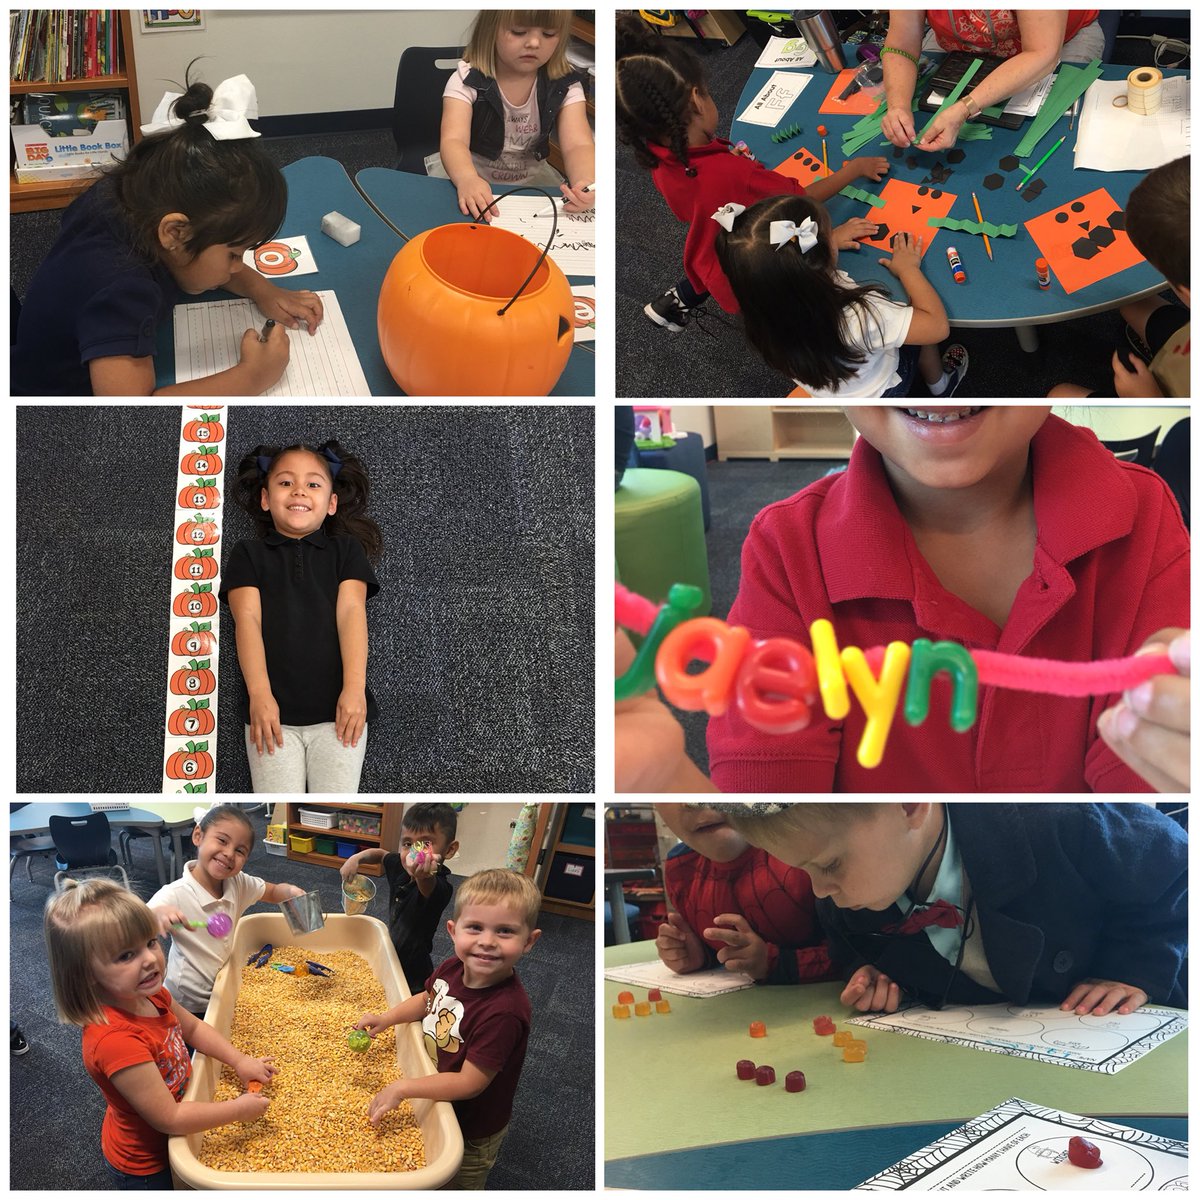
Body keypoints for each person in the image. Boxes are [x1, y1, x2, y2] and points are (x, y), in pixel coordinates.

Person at [616, 407, 1191, 793]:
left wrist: (1171, 734)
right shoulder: (786, 546)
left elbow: (1143, 786)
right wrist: (664, 777)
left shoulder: (1144, 514)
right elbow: (768, 805)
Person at [12, 69, 323, 396]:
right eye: (233, 254)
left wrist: (263, 289)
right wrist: (252, 377)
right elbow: (131, 412)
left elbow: (201, 253)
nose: (237, 267)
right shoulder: (122, 289)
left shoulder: (127, 193)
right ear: (175, 232)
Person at [712, 803, 1187, 1014]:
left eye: (830, 863)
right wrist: (873, 972)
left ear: (907, 804)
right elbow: (848, 944)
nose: (819, 891)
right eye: (803, 871)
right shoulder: (847, 901)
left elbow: (1178, 865)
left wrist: (1135, 967)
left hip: (1141, 1031)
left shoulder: (1061, 821)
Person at [616, 12, 889, 332]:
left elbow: (696, 206)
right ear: (697, 99)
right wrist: (850, 179)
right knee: (793, 303)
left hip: (715, 243)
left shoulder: (661, 156)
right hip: (756, 267)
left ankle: (679, 300)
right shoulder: (729, 174)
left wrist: (728, 166)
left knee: (710, 266)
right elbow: (799, 202)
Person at [44, 879, 274, 1190]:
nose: (151, 959)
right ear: (86, 975)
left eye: (151, 942)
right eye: (126, 956)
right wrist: (237, 1109)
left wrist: (239, 1060)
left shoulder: (149, 994)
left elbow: (192, 1027)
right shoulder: (115, 1041)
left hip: (178, 1120)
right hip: (146, 1164)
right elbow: (169, 1117)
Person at [355, 868, 541, 1190]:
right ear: (453, 931)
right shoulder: (454, 966)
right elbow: (428, 999)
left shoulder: (504, 1012)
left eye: (505, 931)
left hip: (473, 1125)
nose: (487, 942)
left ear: (529, 941)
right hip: (441, 1087)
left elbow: (470, 1083)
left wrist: (403, 1087)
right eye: (475, 928)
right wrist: (387, 1018)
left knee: (459, 1181)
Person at [222, 441, 382, 793]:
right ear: (265, 499)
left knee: (335, 804)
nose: (298, 490)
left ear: (331, 504)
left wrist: (354, 690)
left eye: (313, 484)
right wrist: (260, 696)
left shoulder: (346, 551)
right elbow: (246, 621)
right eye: (285, 483)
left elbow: (352, 614)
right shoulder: (247, 553)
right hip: (271, 716)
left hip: (340, 714)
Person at [713, 194, 969, 397]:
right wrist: (908, 270)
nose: (832, 235)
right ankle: (940, 385)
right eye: (827, 233)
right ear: (818, 257)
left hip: (832, 388)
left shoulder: (762, 310)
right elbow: (936, 327)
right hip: (879, 390)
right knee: (917, 328)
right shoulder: (859, 314)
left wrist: (829, 242)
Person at [430, 10, 595, 223]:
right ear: (490, 31)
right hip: (469, 176)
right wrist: (467, 179)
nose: (534, 42)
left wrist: (586, 181)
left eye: (548, 33)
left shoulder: (566, 84)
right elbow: (454, 140)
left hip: (532, 182)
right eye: (518, 32)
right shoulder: (466, 80)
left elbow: (578, 144)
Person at [1048, 155, 1190, 399]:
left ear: (1186, 292)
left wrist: (1147, 398)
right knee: (1128, 301)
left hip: (1170, 400)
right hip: (1184, 343)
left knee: (1059, 394)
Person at [147, 805, 305, 1020]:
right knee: (193, 1049)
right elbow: (138, 921)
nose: (229, 853)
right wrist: (158, 914)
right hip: (186, 1002)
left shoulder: (238, 883)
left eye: (240, 851)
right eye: (221, 840)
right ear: (198, 836)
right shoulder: (175, 894)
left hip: (222, 987)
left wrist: (290, 891)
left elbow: (273, 891)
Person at [655, 804, 836, 984]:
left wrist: (775, 963)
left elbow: (858, 953)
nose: (692, 801)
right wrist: (702, 953)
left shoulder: (813, 850)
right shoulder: (680, 869)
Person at [880, 10, 1103, 152]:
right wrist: (898, 105)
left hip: (1059, 41)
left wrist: (964, 108)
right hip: (961, 48)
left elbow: (1042, 53)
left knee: (1053, 132)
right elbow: (901, 45)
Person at [340, 802, 460, 996]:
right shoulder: (399, 866)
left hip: (415, 971)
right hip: (393, 949)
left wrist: (423, 875)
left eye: (425, 845)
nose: (413, 852)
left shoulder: (440, 888)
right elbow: (381, 855)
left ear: (449, 850)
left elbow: (427, 884)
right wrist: (357, 858)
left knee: (412, 1007)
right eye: (407, 844)